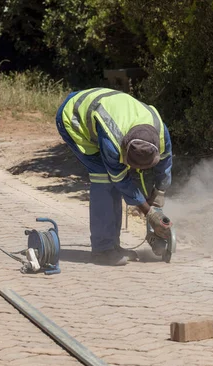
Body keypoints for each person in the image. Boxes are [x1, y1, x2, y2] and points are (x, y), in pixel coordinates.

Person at [55, 88, 173, 266]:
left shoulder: (161, 134)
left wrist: (159, 193)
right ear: (124, 148)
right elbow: (121, 181)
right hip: (73, 117)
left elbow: (165, 164)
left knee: (114, 182)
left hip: (104, 109)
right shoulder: (112, 140)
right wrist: (149, 212)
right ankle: (102, 250)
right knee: (104, 179)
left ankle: (113, 245)